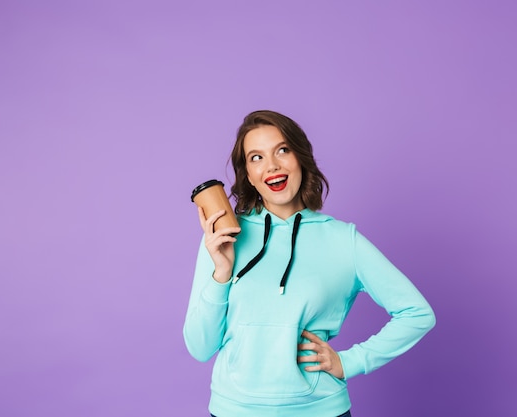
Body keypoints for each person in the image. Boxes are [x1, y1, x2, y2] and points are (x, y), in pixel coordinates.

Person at [183, 110, 436, 417]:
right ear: (247, 174)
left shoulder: (344, 240)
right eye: (257, 157)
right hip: (233, 410)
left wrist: (350, 361)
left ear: (301, 157)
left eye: (282, 150)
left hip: (321, 410)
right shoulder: (223, 238)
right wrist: (221, 273)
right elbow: (200, 347)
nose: (272, 165)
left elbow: (417, 314)